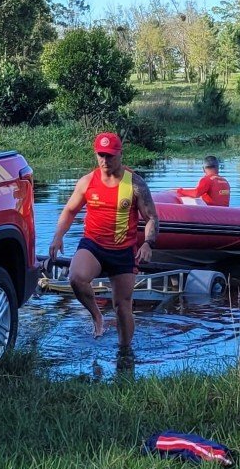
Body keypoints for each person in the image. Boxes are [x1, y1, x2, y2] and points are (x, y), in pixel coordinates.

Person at [48, 131, 159, 362]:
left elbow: (151, 217)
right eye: (101, 155)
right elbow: (69, 210)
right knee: (76, 278)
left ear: (120, 154)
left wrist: (148, 243)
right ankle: (97, 316)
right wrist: (58, 236)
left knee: (122, 307)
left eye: (110, 156)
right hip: (94, 245)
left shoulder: (135, 183)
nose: (105, 160)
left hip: (123, 251)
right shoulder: (87, 181)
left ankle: (125, 354)